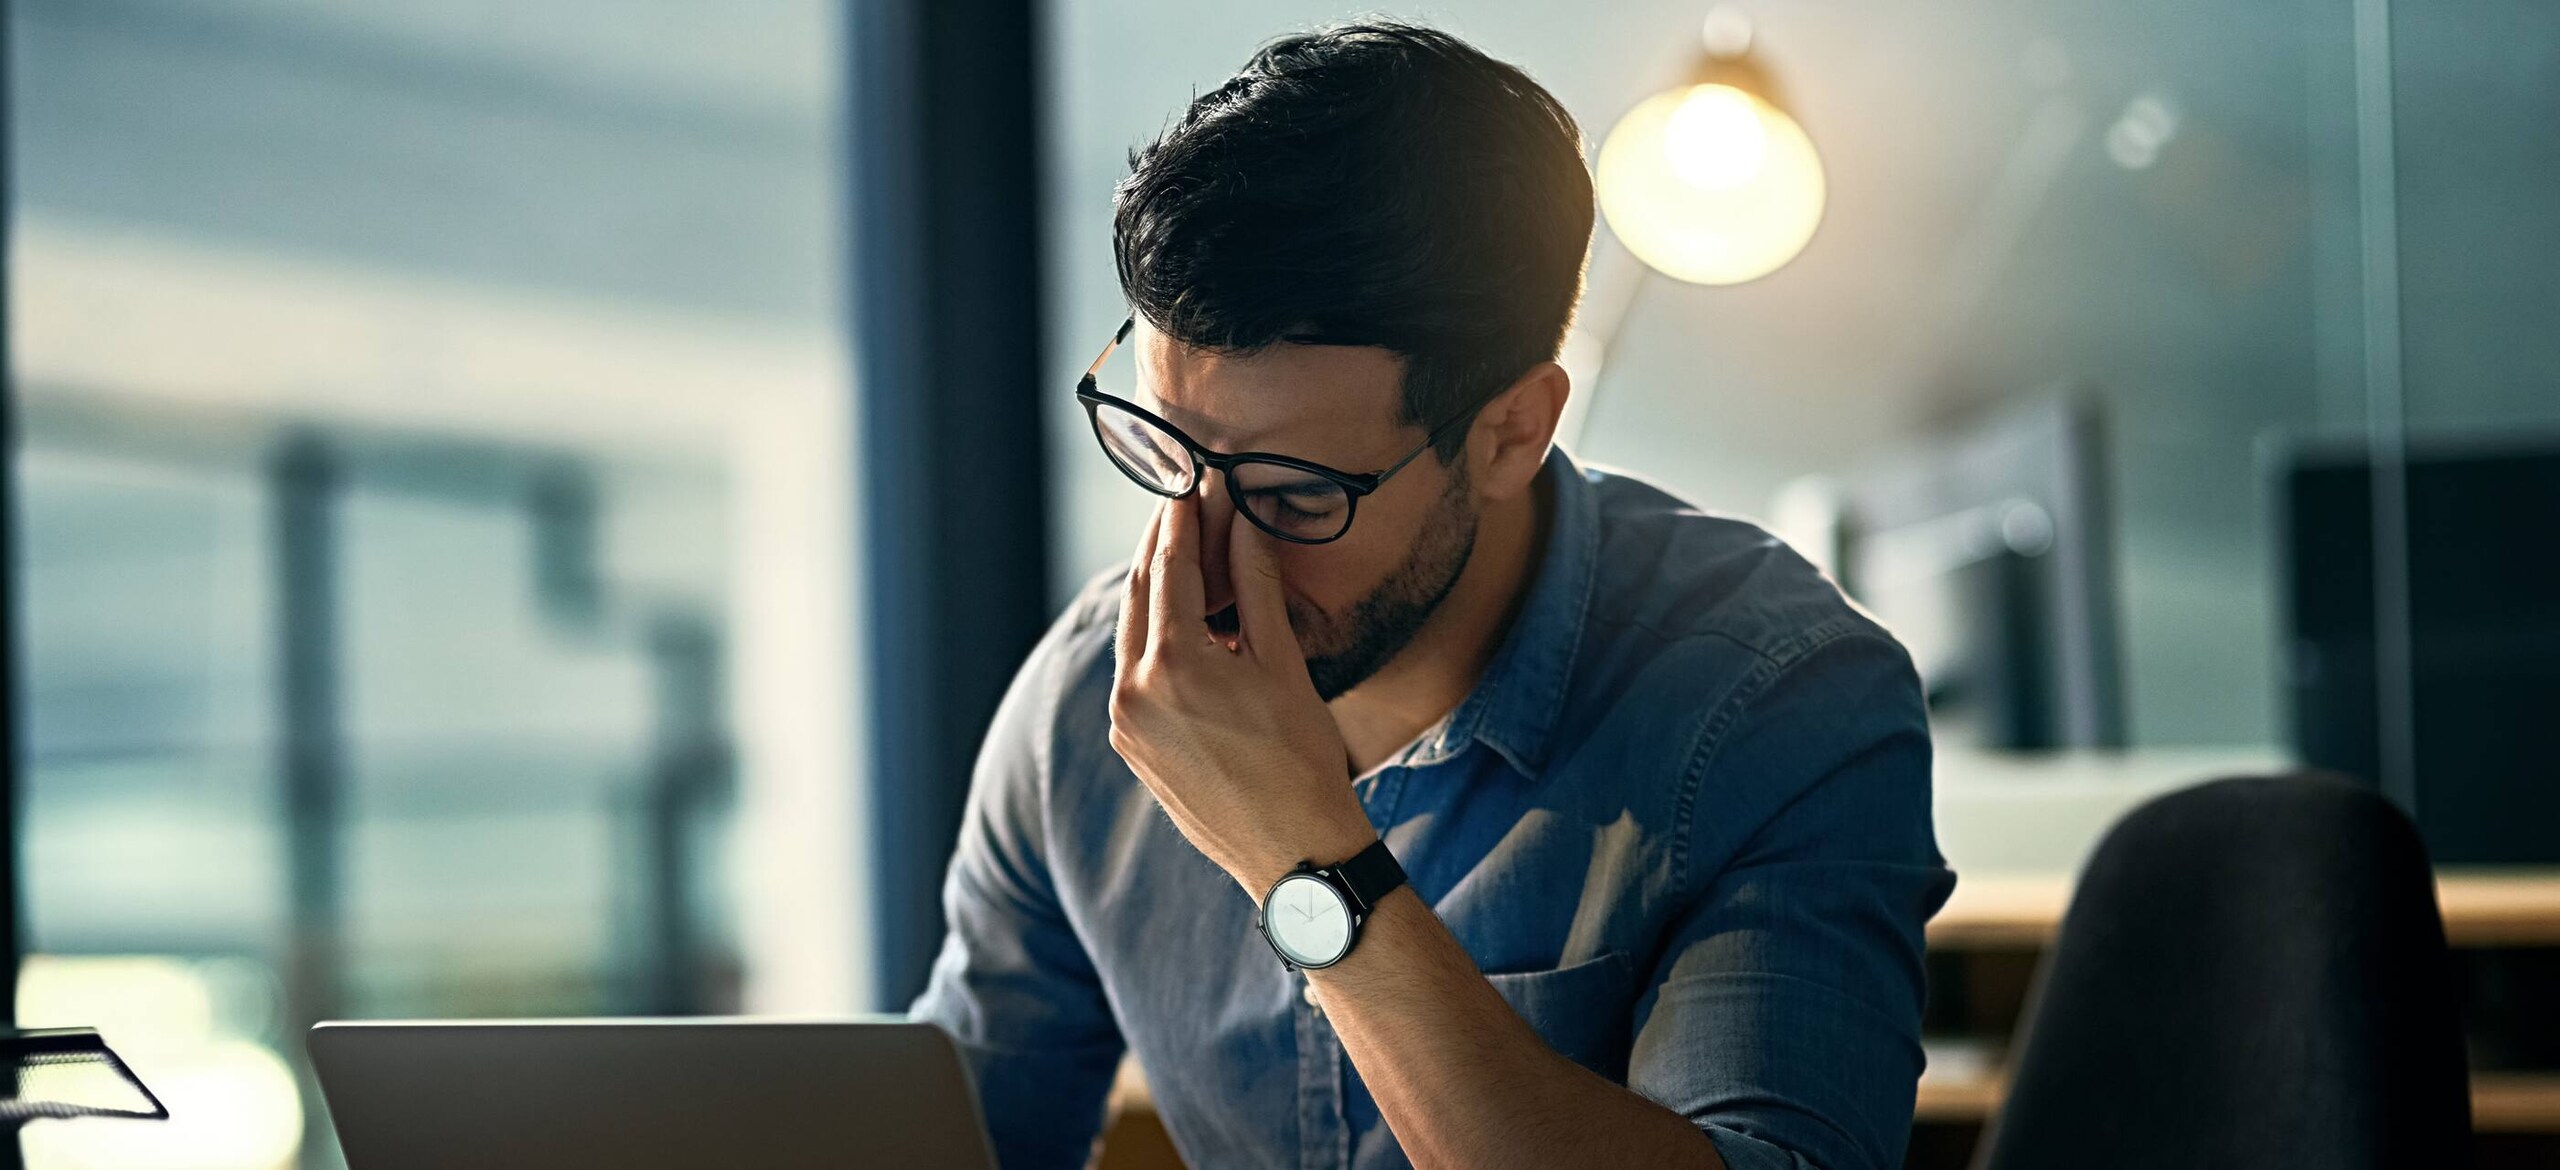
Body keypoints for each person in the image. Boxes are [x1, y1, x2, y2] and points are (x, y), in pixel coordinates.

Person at [913, 21, 1953, 1170]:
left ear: (1511, 431)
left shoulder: (1777, 703)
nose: (1198, 560)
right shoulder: (1085, 708)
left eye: (1294, 496)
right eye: (1164, 453)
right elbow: (964, 1137)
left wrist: (1303, 861)